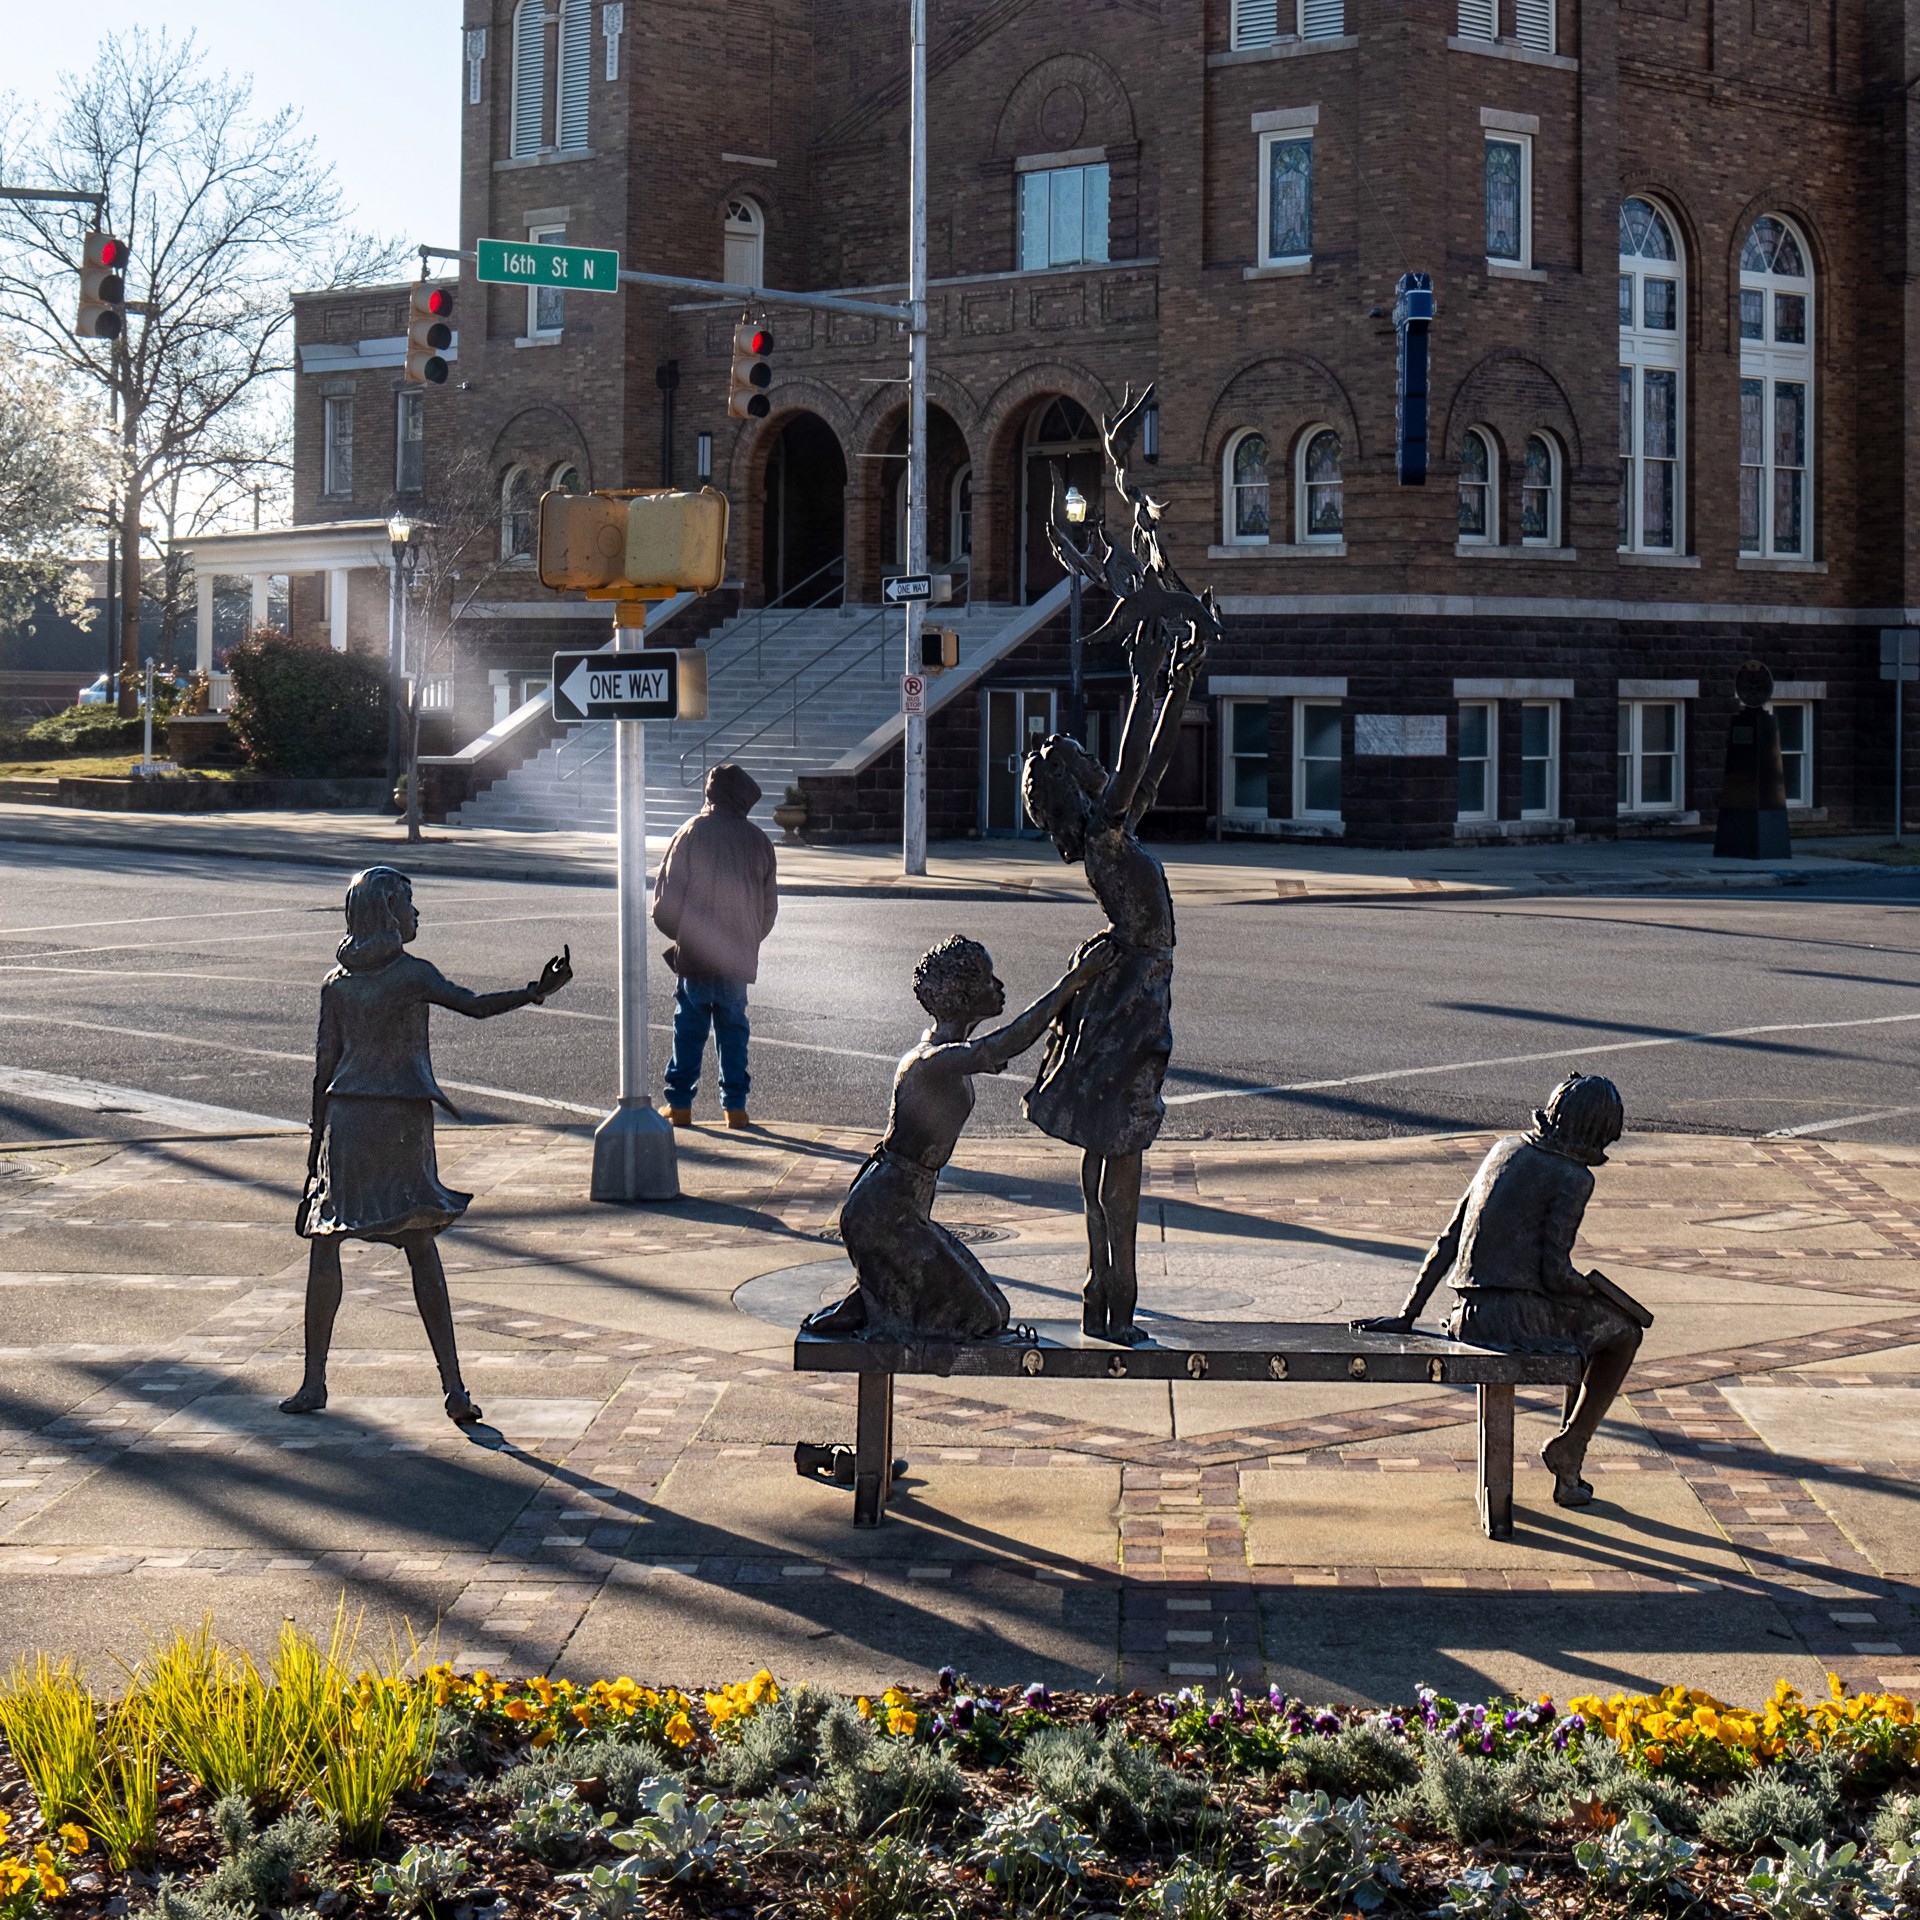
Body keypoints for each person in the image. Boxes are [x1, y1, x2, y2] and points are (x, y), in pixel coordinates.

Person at [283, 866, 571, 1423]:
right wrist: (536, 992)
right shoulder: (412, 974)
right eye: (410, 905)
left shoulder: (336, 981)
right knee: (419, 1245)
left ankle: (314, 1380)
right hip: (398, 1121)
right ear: (389, 914)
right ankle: (455, 1390)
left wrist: (314, 1147)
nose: (418, 915)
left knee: (326, 1242)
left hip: (348, 1119)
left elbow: (324, 1069)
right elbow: (475, 1004)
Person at [1019, 622, 1205, 1344]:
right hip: (1131, 999)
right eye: (1081, 759)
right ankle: (1117, 1304)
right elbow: (1133, 758)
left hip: (1131, 988)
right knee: (1120, 1149)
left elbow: (1152, 761)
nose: (1098, 765)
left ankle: (1103, 1292)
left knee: (1110, 1147)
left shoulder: (1113, 833)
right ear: (1075, 784)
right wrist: (1142, 677)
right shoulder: (1104, 834)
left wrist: (1178, 681)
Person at [1351, 1072, 1651, 1509]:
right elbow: (1554, 1273)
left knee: (1589, 1329)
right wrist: (1588, 1289)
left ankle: (1569, 1465)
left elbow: (1451, 1237)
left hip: (1467, 1314)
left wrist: (1408, 1313)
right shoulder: (1573, 1176)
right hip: (1513, 1321)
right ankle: (1571, 1451)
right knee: (1622, 1333)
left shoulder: (1504, 1148)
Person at [803, 933, 1116, 1340]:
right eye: (988, 980)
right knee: (978, 1317)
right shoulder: (932, 1061)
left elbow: (992, 1052)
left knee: (997, 1309)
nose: (999, 987)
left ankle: (871, 1297)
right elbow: (1003, 1044)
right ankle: (873, 1304)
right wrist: (1070, 983)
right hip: (881, 1213)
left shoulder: (950, 1053)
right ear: (962, 995)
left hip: (904, 1208)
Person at [653, 762, 778, 1129]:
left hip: (695, 956)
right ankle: (735, 1108)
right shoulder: (759, 841)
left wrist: (686, 935)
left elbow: (664, 904)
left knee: (688, 1030)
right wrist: (747, 938)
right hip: (737, 958)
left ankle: (680, 1106)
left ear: (710, 793)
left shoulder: (691, 832)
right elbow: (768, 908)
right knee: (734, 1031)